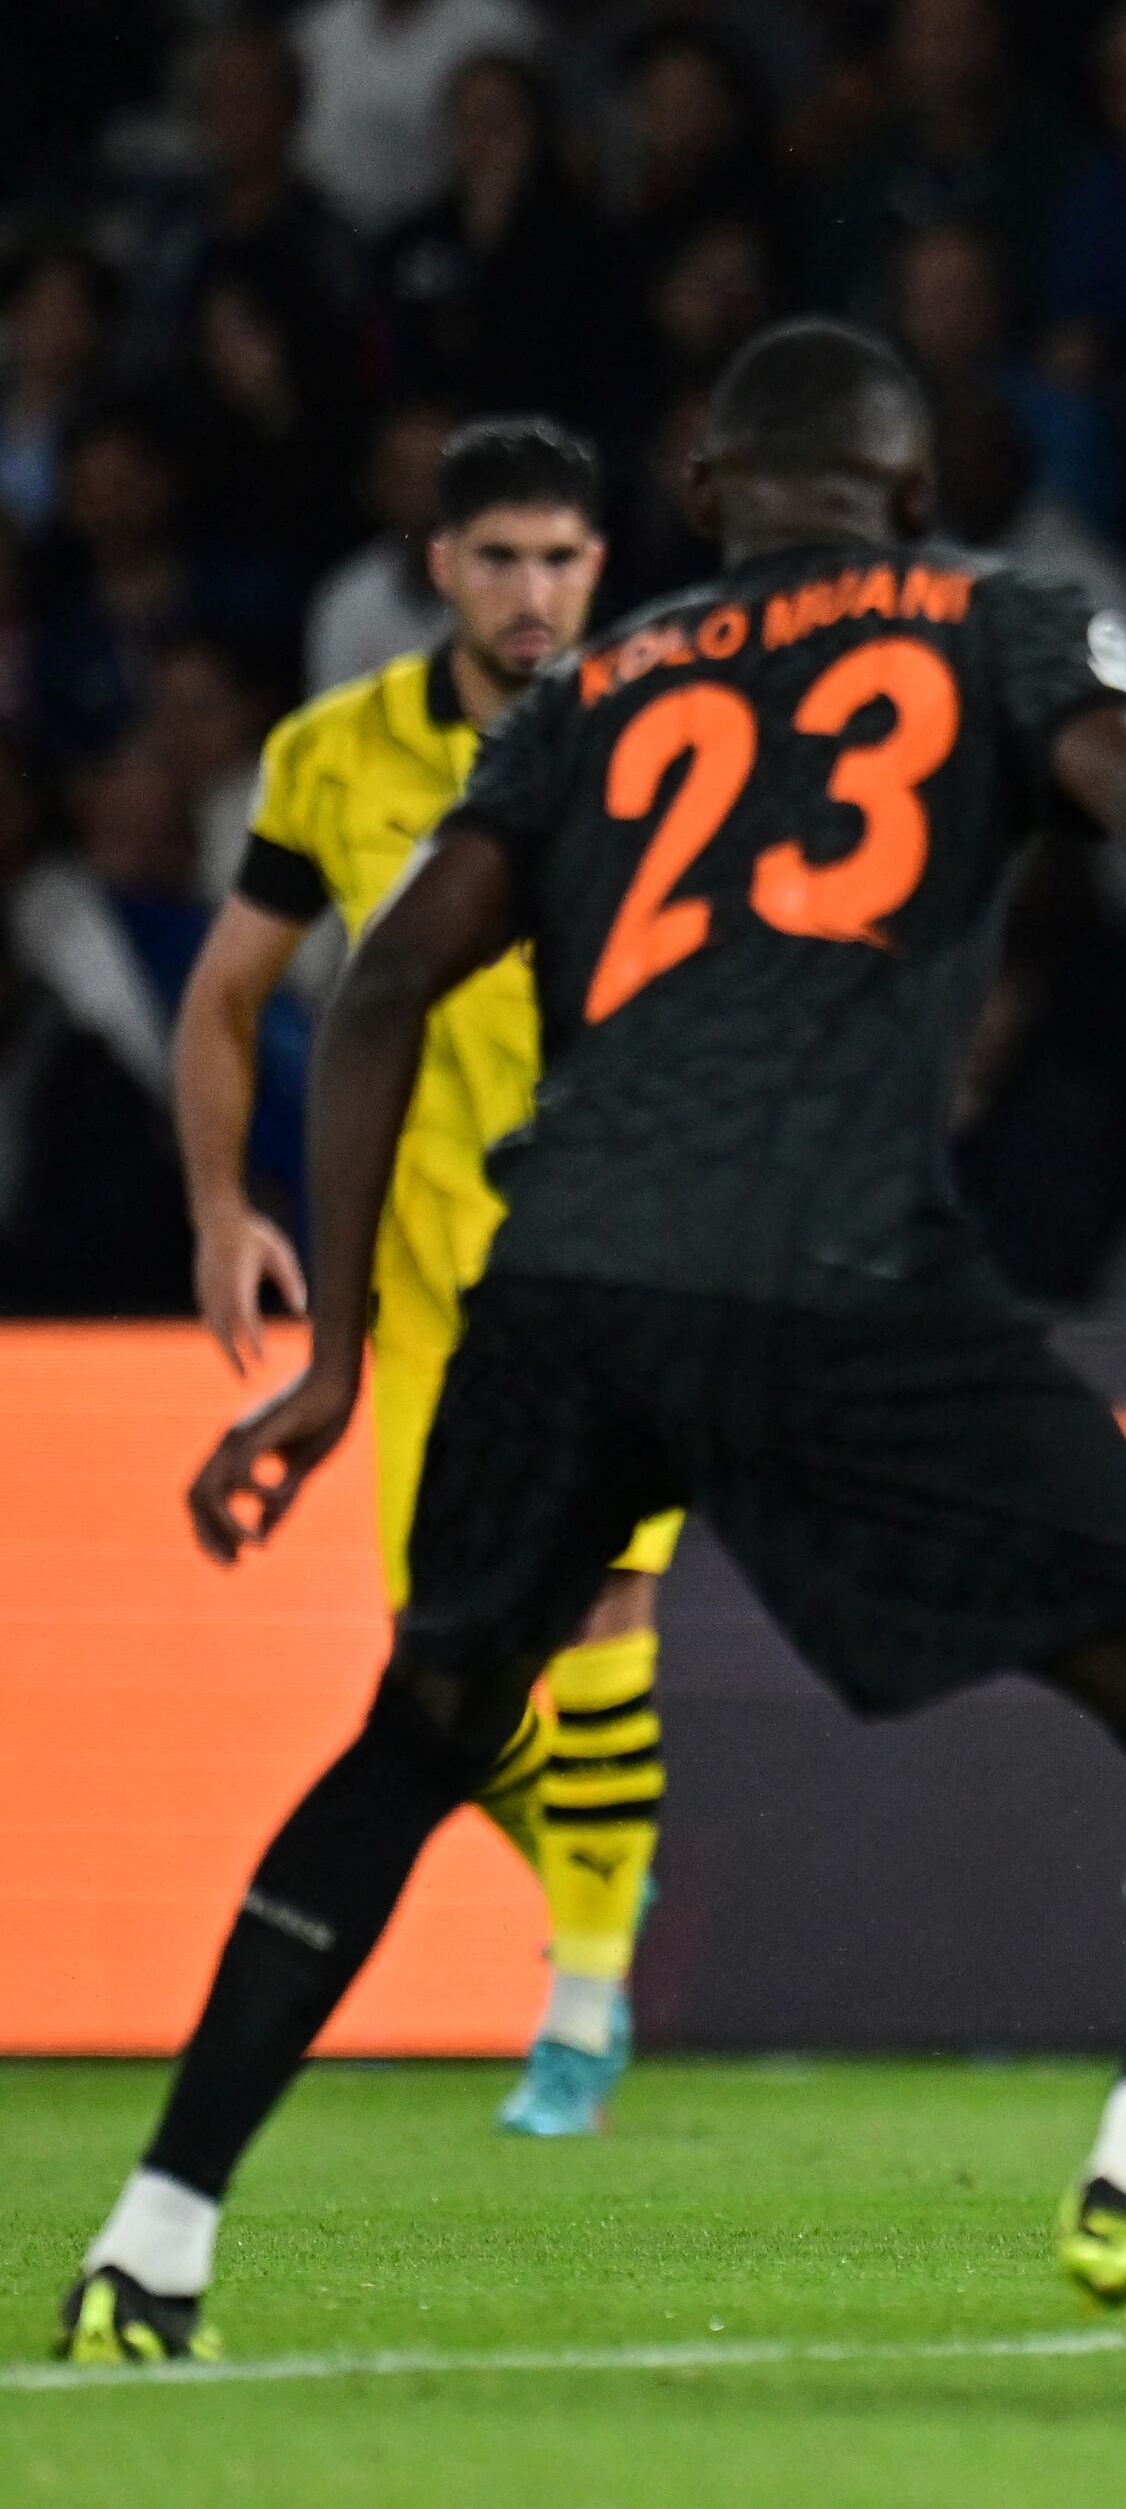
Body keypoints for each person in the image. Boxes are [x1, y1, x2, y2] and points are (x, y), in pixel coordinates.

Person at [60, 324, 1126, 2371]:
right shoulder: (996, 616)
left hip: (561, 1286)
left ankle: (149, 2242)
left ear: (701, 509)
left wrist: (339, 1354)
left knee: (417, 1742)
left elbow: (374, 997)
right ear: (910, 496)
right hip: (832, 1270)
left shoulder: (589, 690)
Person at [165, 415, 646, 2138]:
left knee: (605, 1609)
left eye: (565, 559)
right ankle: (607, 1859)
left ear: (603, 569)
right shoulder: (333, 758)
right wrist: (224, 1208)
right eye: (502, 559)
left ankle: (583, 2006)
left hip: (613, 1253)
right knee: (455, 1677)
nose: (535, 594)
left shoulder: (664, 748)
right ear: (439, 567)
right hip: (423, 1274)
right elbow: (227, 992)